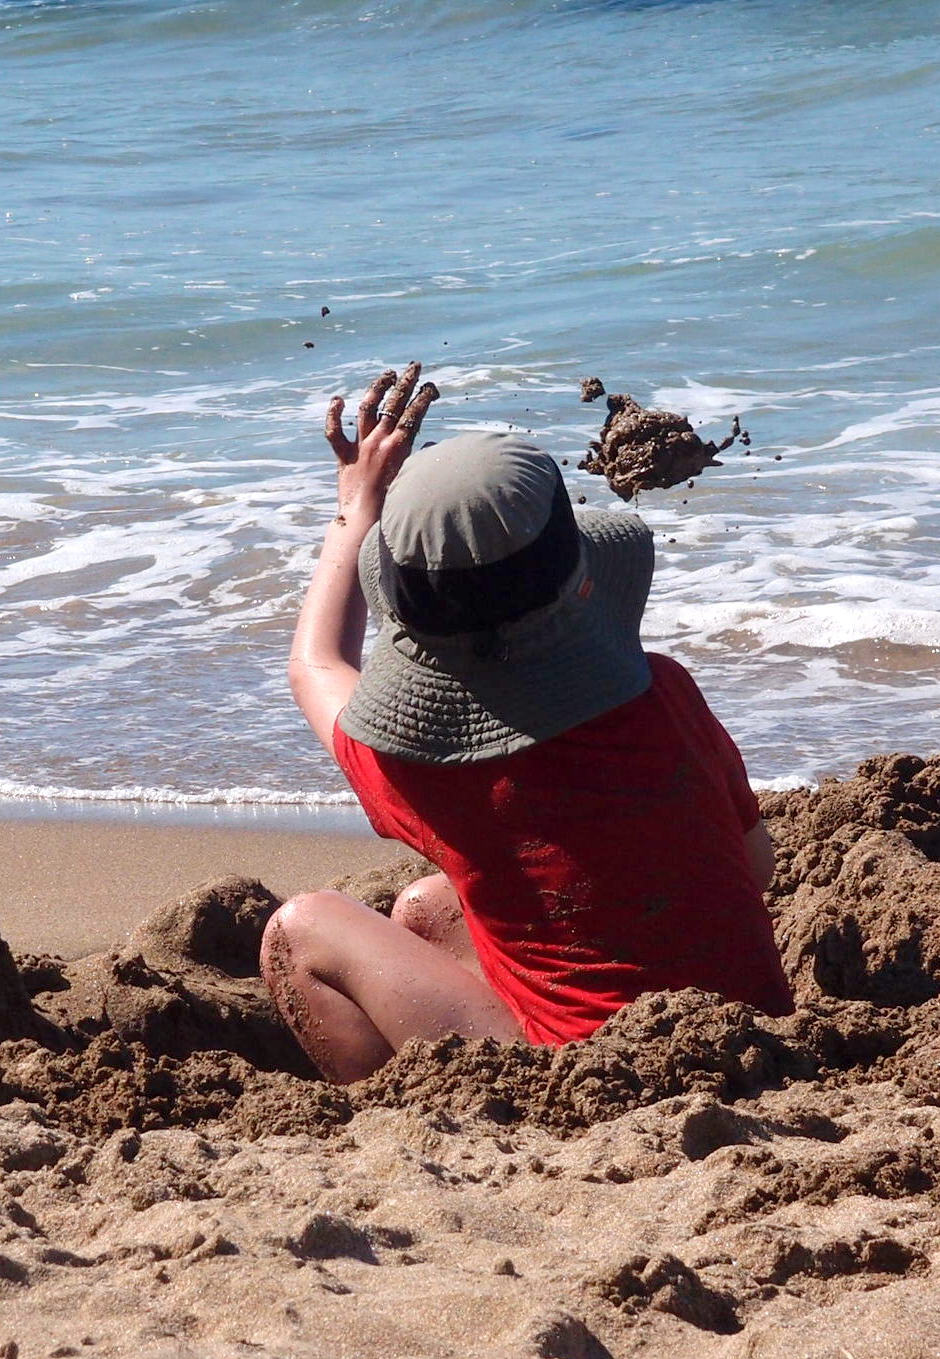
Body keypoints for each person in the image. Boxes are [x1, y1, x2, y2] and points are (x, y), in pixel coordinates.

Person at [263, 362, 793, 1083]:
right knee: (425, 908)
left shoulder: (412, 762)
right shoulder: (663, 691)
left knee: (300, 930)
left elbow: (315, 664)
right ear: (582, 577)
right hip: (752, 1035)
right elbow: (755, 866)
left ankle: (385, 1112)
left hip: (581, 1075)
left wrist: (357, 504)